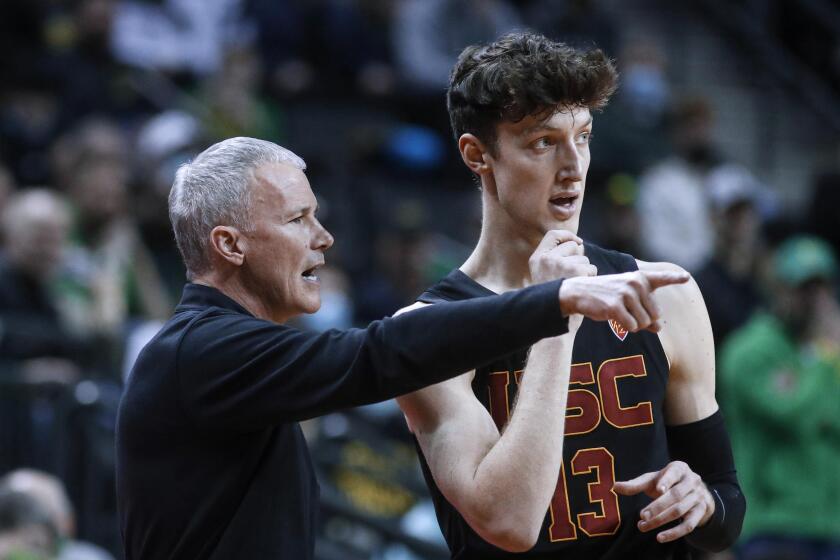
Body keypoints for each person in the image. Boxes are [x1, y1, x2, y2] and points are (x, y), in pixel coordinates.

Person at [115, 136, 686, 559]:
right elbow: (376, 355)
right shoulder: (201, 353)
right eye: (298, 219)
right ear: (229, 245)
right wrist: (551, 301)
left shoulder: (223, 354)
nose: (324, 237)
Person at [396, 32, 746, 558]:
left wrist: (702, 502)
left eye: (582, 136)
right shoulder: (426, 328)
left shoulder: (667, 292)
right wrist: (554, 309)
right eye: (543, 142)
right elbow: (509, 523)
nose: (574, 166)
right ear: (477, 155)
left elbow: (727, 506)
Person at [721, 236, 840, 560]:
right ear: (780, 290)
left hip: (830, 524)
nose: (814, 301)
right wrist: (824, 354)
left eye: (821, 289)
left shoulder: (831, 353)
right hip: (773, 527)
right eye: (803, 289)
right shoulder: (750, 350)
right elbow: (792, 413)